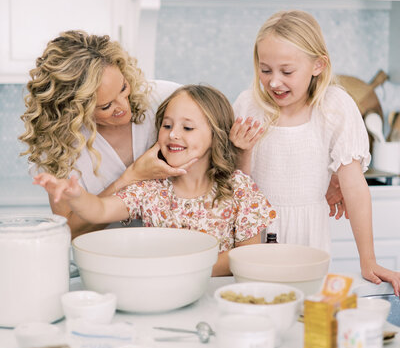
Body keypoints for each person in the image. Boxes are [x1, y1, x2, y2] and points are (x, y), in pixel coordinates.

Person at [231, 10, 400, 294]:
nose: (273, 82)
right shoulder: (248, 105)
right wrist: (240, 151)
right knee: (257, 301)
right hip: (254, 236)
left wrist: (368, 260)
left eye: (286, 71)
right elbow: (236, 183)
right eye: (265, 69)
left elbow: (355, 186)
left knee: (307, 312)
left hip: (310, 236)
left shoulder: (335, 107)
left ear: (318, 65)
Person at [34, 85, 276, 276]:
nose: (173, 134)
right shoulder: (150, 189)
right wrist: (75, 195)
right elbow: (100, 210)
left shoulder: (239, 188)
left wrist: (181, 269)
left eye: (188, 128)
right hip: (164, 295)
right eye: (167, 125)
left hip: (222, 299)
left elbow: (248, 255)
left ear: (216, 135)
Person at [20, 30, 196, 238]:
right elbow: (71, 231)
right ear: (74, 111)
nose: (124, 107)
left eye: (123, 87)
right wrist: (132, 177)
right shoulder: (59, 147)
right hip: (106, 255)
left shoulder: (164, 99)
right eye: (106, 105)